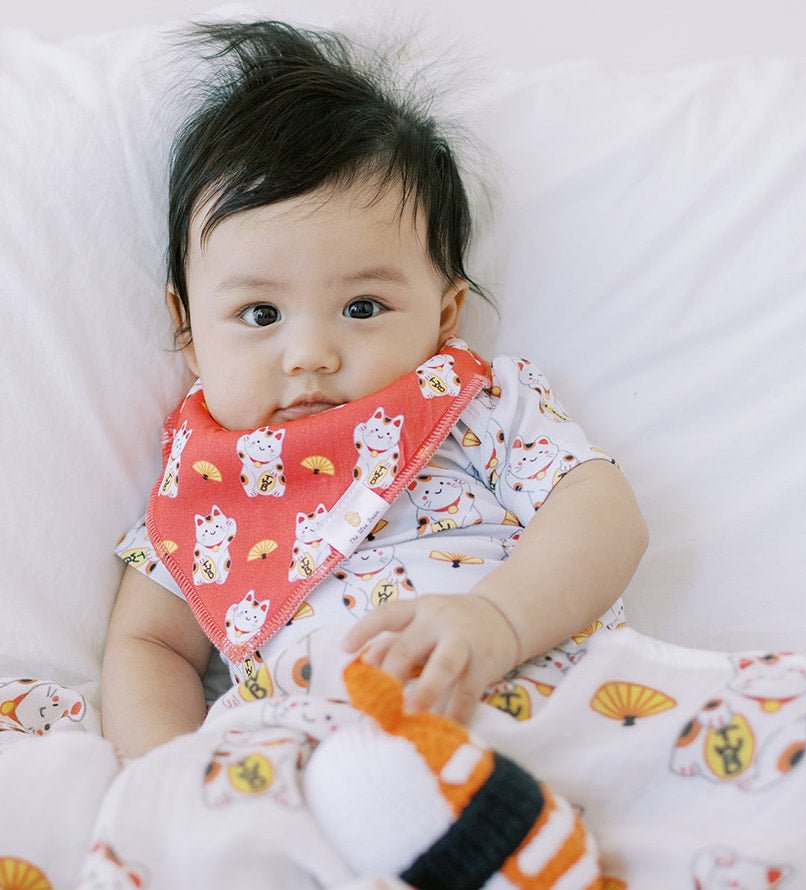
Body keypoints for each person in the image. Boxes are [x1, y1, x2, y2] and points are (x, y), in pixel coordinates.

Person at [101, 20, 648, 761]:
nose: (312, 354)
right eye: (259, 314)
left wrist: (497, 620)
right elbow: (148, 646)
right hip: (321, 758)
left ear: (445, 314)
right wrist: (168, 772)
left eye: (363, 308)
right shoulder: (200, 486)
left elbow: (604, 513)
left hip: (542, 717)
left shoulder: (474, 407)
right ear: (189, 328)